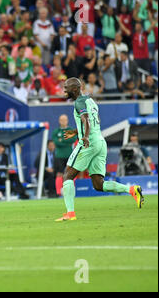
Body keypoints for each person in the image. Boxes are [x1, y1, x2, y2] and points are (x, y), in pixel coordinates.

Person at [56, 78, 145, 222]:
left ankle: (70, 214)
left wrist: (84, 137)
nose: (64, 91)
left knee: (67, 176)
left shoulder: (79, 102)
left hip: (88, 143)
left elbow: (86, 120)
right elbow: (94, 120)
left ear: (74, 89)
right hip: (100, 141)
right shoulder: (90, 101)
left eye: (66, 88)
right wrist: (76, 131)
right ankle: (132, 190)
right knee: (99, 184)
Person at [52, 114, 76, 196]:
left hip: (69, 155)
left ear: (67, 121)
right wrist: (65, 140)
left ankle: (71, 190)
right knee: (60, 173)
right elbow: (56, 142)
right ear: (59, 121)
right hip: (59, 155)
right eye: (61, 120)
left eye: (65, 120)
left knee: (70, 173)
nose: (63, 122)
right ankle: (59, 192)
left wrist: (62, 140)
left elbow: (72, 140)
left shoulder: (70, 130)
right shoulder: (56, 131)